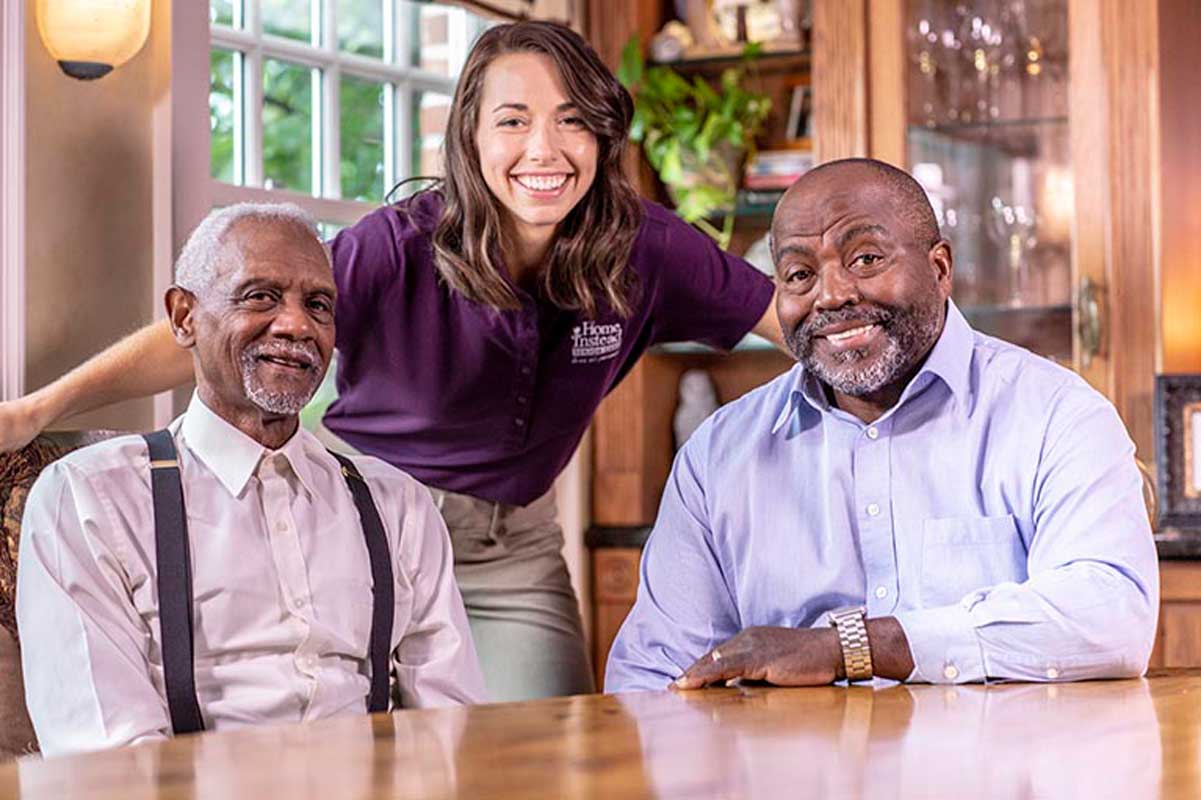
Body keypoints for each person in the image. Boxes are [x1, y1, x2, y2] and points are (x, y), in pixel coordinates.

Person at [0, 21, 782, 702]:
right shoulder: (397, 244)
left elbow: (802, 324)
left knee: (548, 755)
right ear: (470, 136)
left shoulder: (647, 248)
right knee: (349, 734)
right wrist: (38, 410)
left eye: (571, 120)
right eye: (512, 120)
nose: (543, 148)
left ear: (602, 136)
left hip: (511, 551)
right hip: (357, 526)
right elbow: (216, 327)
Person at [605, 158, 1159, 692]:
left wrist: (849, 648)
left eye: (866, 259)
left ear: (939, 269)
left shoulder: (1056, 415)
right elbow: (651, 675)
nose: (832, 295)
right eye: (799, 275)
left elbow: (1110, 617)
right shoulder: (717, 456)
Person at [17, 204, 485, 757]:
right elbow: (109, 761)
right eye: (260, 296)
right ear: (184, 317)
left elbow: (452, 734)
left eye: (318, 305)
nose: (297, 326)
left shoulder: (398, 505)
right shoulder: (88, 499)